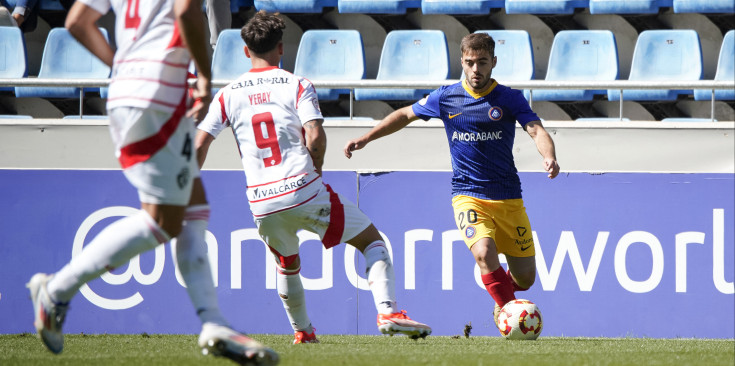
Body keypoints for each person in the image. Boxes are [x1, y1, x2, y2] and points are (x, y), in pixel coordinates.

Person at [26, 1, 279, 365]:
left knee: (193, 206)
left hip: (132, 92)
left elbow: (78, 22)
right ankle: (56, 289)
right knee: (162, 220)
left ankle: (213, 323)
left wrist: (123, 67)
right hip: (157, 97)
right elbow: (187, 10)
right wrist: (205, 77)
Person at [195, 10, 432, 344]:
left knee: (286, 263)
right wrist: (315, 171)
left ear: (245, 51)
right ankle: (388, 311)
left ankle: (303, 332)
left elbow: (200, 143)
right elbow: (315, 136)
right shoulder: (297, 84)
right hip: (303, 188)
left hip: (262, 200)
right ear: (281, 48)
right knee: (372, 242)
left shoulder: (227, 94)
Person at [344, 32, 560, 329]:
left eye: (482, 62)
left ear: (493, 62)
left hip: (509, 199)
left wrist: (548, 156)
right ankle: (510, 315)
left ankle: (506, 297)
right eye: (470, 62)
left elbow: (536, 130)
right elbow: (406, 114)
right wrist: (366, 138)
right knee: (484, 253)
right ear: (462, 61)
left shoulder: (509, 98)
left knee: (526, 277)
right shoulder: (446, 97)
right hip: (468, 195)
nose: (475, 70)